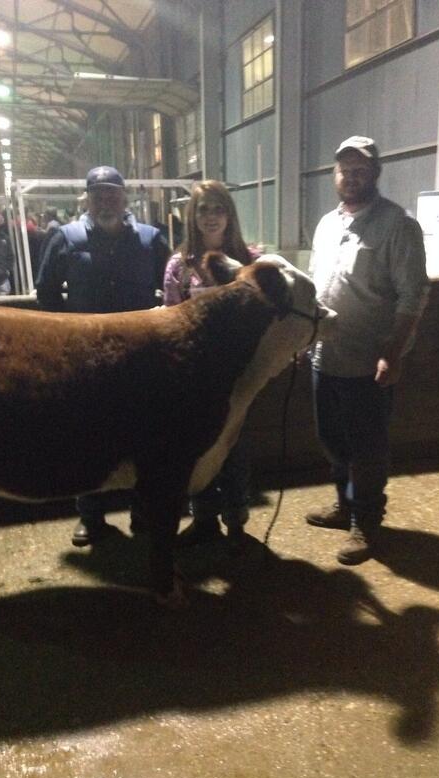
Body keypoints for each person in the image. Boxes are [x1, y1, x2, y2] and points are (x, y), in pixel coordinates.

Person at [305, 135, 429, 566]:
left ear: (375, 173)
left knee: (367, 447)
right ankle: (344, 505)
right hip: (325, 358)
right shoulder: (326, 224)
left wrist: (393, 353)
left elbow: (412, 296)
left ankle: (365, 521)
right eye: (344, 169)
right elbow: (315, 289)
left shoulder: (398, 225)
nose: (351, 176)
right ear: (335, 174)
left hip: (367, 362)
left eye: (360, 170)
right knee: (331, 439)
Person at [36, 165, 171, 547]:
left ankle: (142, 512)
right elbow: (46, 291)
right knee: (86, 438)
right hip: (87, 362)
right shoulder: (65, 238)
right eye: (98, 194)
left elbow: (174, 284)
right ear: (87, 199)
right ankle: (91, 517)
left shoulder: (150, 240)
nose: (106, 200)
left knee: (142, 438)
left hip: (140, 360)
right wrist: (67, 333)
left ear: (125, 198)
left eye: (113, 193)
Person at [164, 179, 260, 549]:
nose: (210, 216)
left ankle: (236, 519)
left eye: (218, 208)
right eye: (203, 209)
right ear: (193, 215)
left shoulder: (248, 260)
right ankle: (204, 517)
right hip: (194, 377)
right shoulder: (179, 266)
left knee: (234, 448)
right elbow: (173, 318)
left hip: (236, 376)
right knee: (199, 450)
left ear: (229, 214)